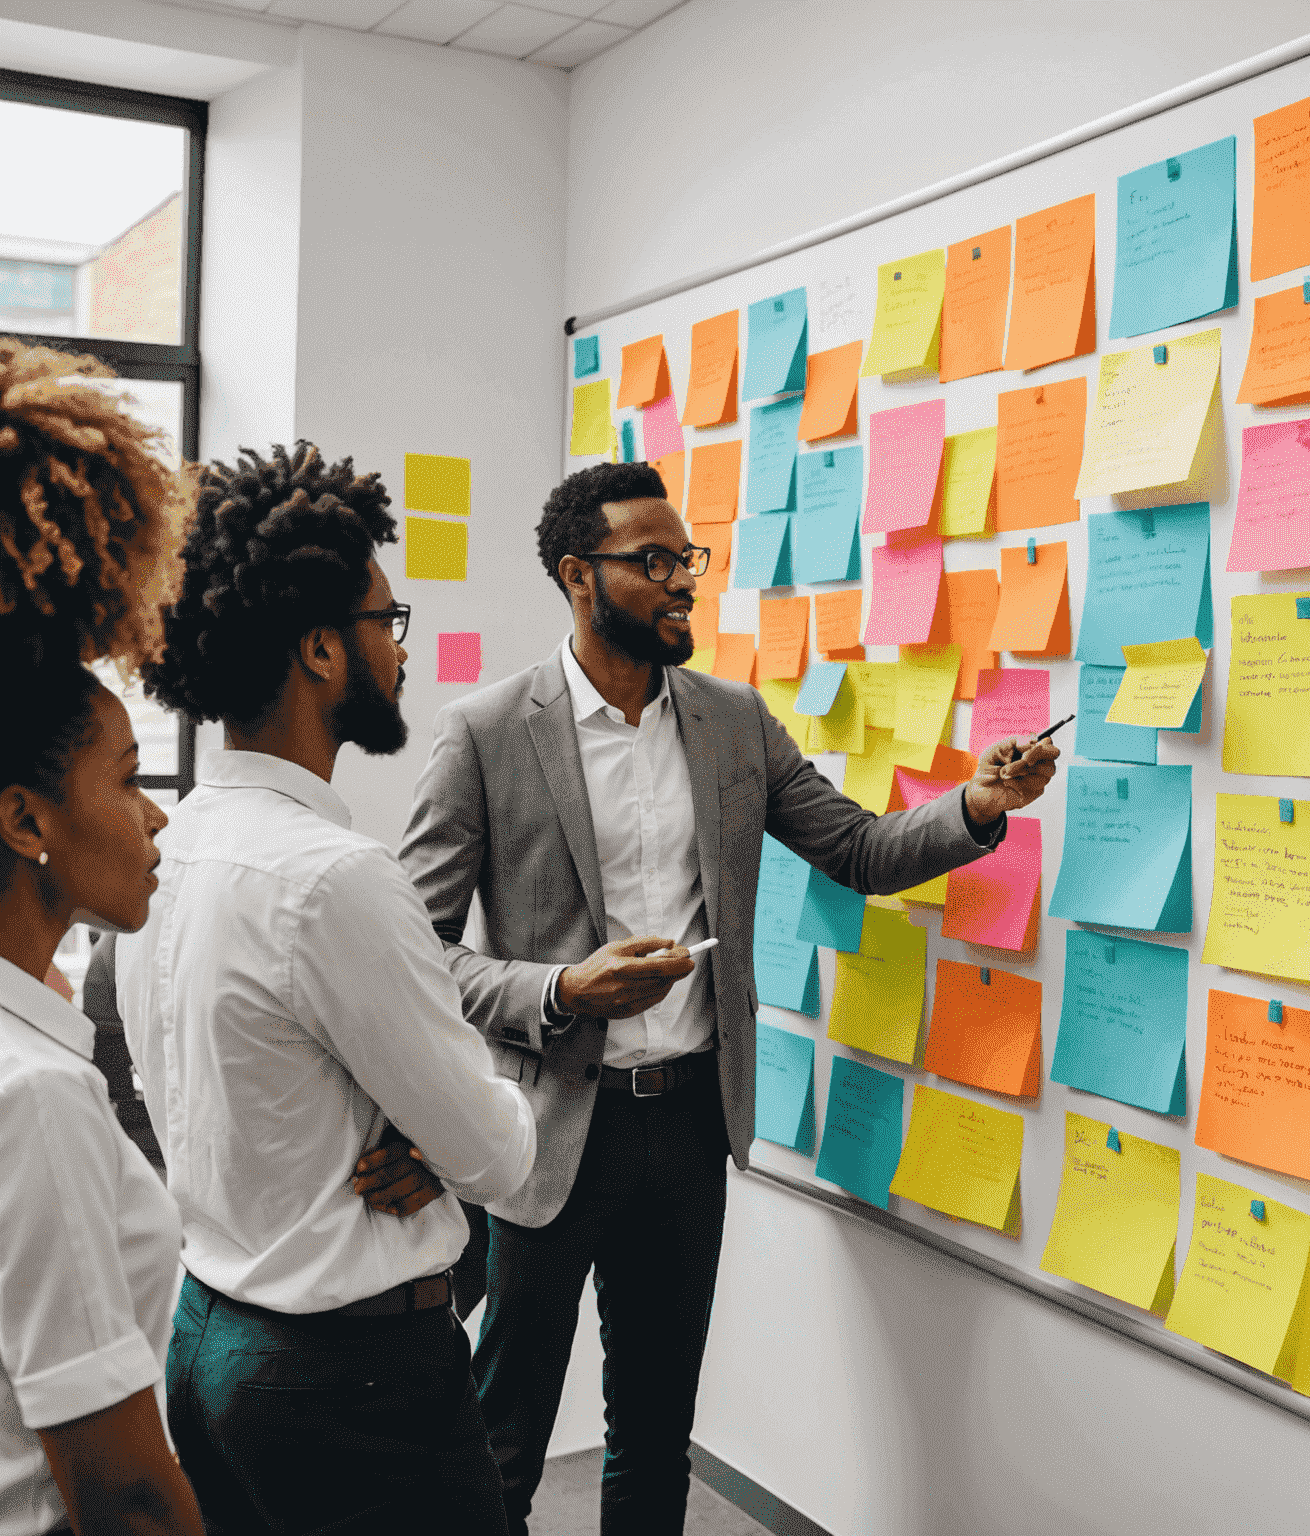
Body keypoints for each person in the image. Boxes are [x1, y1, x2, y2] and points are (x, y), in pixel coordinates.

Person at [398, 459, 1060, 1534]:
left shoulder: (732, 722)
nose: (682, 583)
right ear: (578, 574)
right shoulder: (485, 731)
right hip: (548, 1128)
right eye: (652, 562)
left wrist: (978, 805)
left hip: (690, 1125)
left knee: (654, 1433)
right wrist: (560, 988)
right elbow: (417, 950)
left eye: (686, 560)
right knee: (502, 1435)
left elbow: (856, 847)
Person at [115, 443, 539, 1536]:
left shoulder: (167, 845)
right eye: (385, 626)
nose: (400, 655)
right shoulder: (335, 880)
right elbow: (500, 1155)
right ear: (318, 649)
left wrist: (414, 1115)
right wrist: (446, 1118)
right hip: (353, 1381)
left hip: (210, 1337)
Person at [0, 338, 203, 1536]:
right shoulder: (34, 1099)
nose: (154, 812)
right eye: (130, 779)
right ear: (26, 819)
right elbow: (122, 1492)